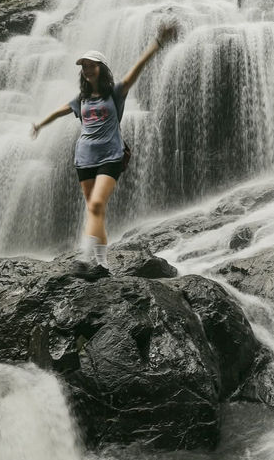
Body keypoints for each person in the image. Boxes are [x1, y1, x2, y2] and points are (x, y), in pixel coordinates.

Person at [31, 20, 177, 278]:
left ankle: (84, 259)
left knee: (97, 204)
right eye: (84, 67)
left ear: (102, 68)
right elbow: (59, 111)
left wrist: (158, 42)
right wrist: (39, 125)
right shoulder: (81, 99)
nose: (87, 70)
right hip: (84, 158)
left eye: (92, 65)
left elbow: (137, 68)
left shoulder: (116, 93)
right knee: (95, 211)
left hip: (111, 156)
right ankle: (103, 266)